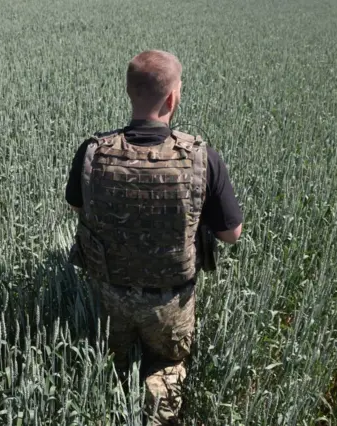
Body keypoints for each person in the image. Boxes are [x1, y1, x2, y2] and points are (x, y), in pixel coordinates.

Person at [65, 50, 242, 425]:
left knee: (110, 364)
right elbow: (230, 234)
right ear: (173, 98)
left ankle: (106, 411)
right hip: (170, 302)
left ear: (130, 93)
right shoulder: (202, 157)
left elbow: (81, 210)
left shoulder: (92, 152)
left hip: (109, 293)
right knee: (166, 364)